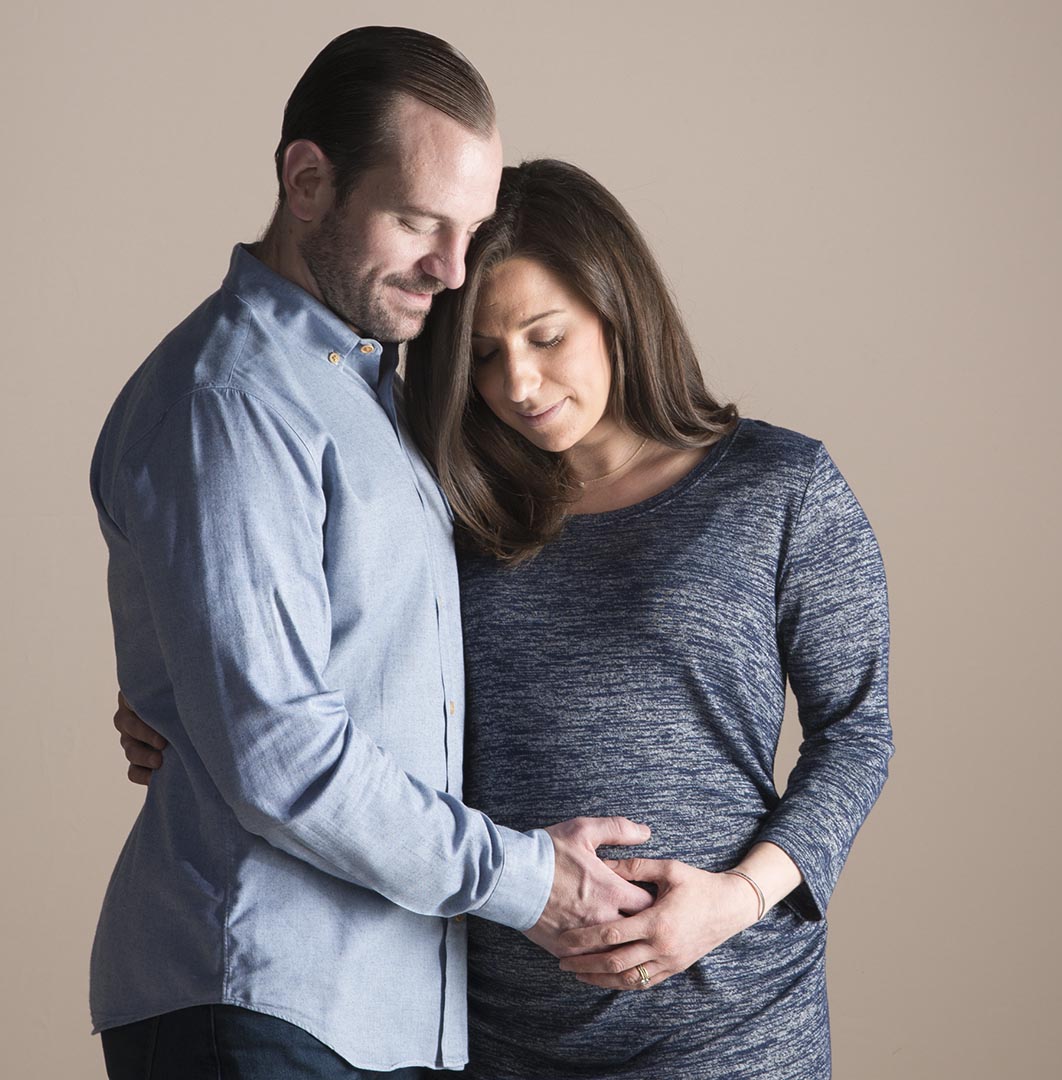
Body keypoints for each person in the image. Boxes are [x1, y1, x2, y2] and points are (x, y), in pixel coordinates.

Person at [120, 157, 893, 1078]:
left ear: (618, 308)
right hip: (493, 1034)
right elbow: (295, 641)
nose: (519, 382)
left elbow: (857, 733)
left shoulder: (780, 488)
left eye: (546, 336)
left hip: (729, 1022)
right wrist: (179, 700)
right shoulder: (450, 507)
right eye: (485, 355)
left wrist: (740, 898)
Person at [89, 29, 654, 1080]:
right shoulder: (234, 401)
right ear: (308, 181)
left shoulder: (374, 389)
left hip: (371, 1007)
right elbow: (280, 752)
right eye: (417, 222)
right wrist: (533, 883)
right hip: (264, 996)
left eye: (469, 230)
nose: (452, 270)